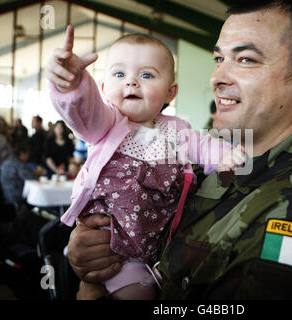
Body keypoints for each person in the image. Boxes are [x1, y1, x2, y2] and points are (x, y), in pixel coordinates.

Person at [67, 0, 292, 300]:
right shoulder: (203, 160)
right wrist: (94, 255)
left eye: (246, 59)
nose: (217, 78)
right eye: (218, 60)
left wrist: (88, 293)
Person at [46, 26, 244, 299]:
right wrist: (71, 86)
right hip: (111, 245)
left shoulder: (177, 131)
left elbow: (205, 147)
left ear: (170, 92)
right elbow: (84, 110)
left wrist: (225, 156)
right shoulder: (106, 124)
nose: (131, 82)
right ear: (104, 89)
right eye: (119, 74)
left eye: (147, 75)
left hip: (150, 250)